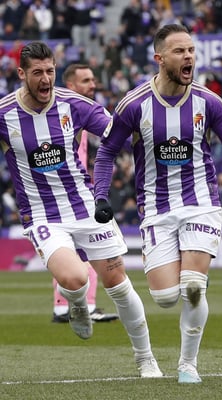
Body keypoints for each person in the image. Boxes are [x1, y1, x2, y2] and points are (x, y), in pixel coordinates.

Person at [93, 24, 222, 384]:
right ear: (160, 58)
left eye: (192, 51)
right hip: (156, 208)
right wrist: (100, 196)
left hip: (201, 202)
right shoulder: (134, 105)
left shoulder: (208, 101)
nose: (189, 57)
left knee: (193, 287)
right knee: (166, 296)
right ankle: (182, 278)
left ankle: (188, 365)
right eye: (180, 51)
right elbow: (106, 153)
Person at [0, 41, 162, 378]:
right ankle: (77, 305)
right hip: (43, 215)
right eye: (37, 73)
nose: (46, 79)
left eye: (50, 71)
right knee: (75, 278)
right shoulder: (4, 114)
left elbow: (116, 133)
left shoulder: (73, 104)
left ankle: (146, 359)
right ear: (21, 74)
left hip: (85, 207)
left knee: (118, 283)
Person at [50, 63, 119, 324]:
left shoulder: (82, 112)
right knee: (91, 248)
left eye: (93, 80)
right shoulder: (63, 112)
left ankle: (62, 307)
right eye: (86, 80)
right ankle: (83, 306)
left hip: (75, 191)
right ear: (70, 85)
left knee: (71, 252)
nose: (93, 85)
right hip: (68, 194)